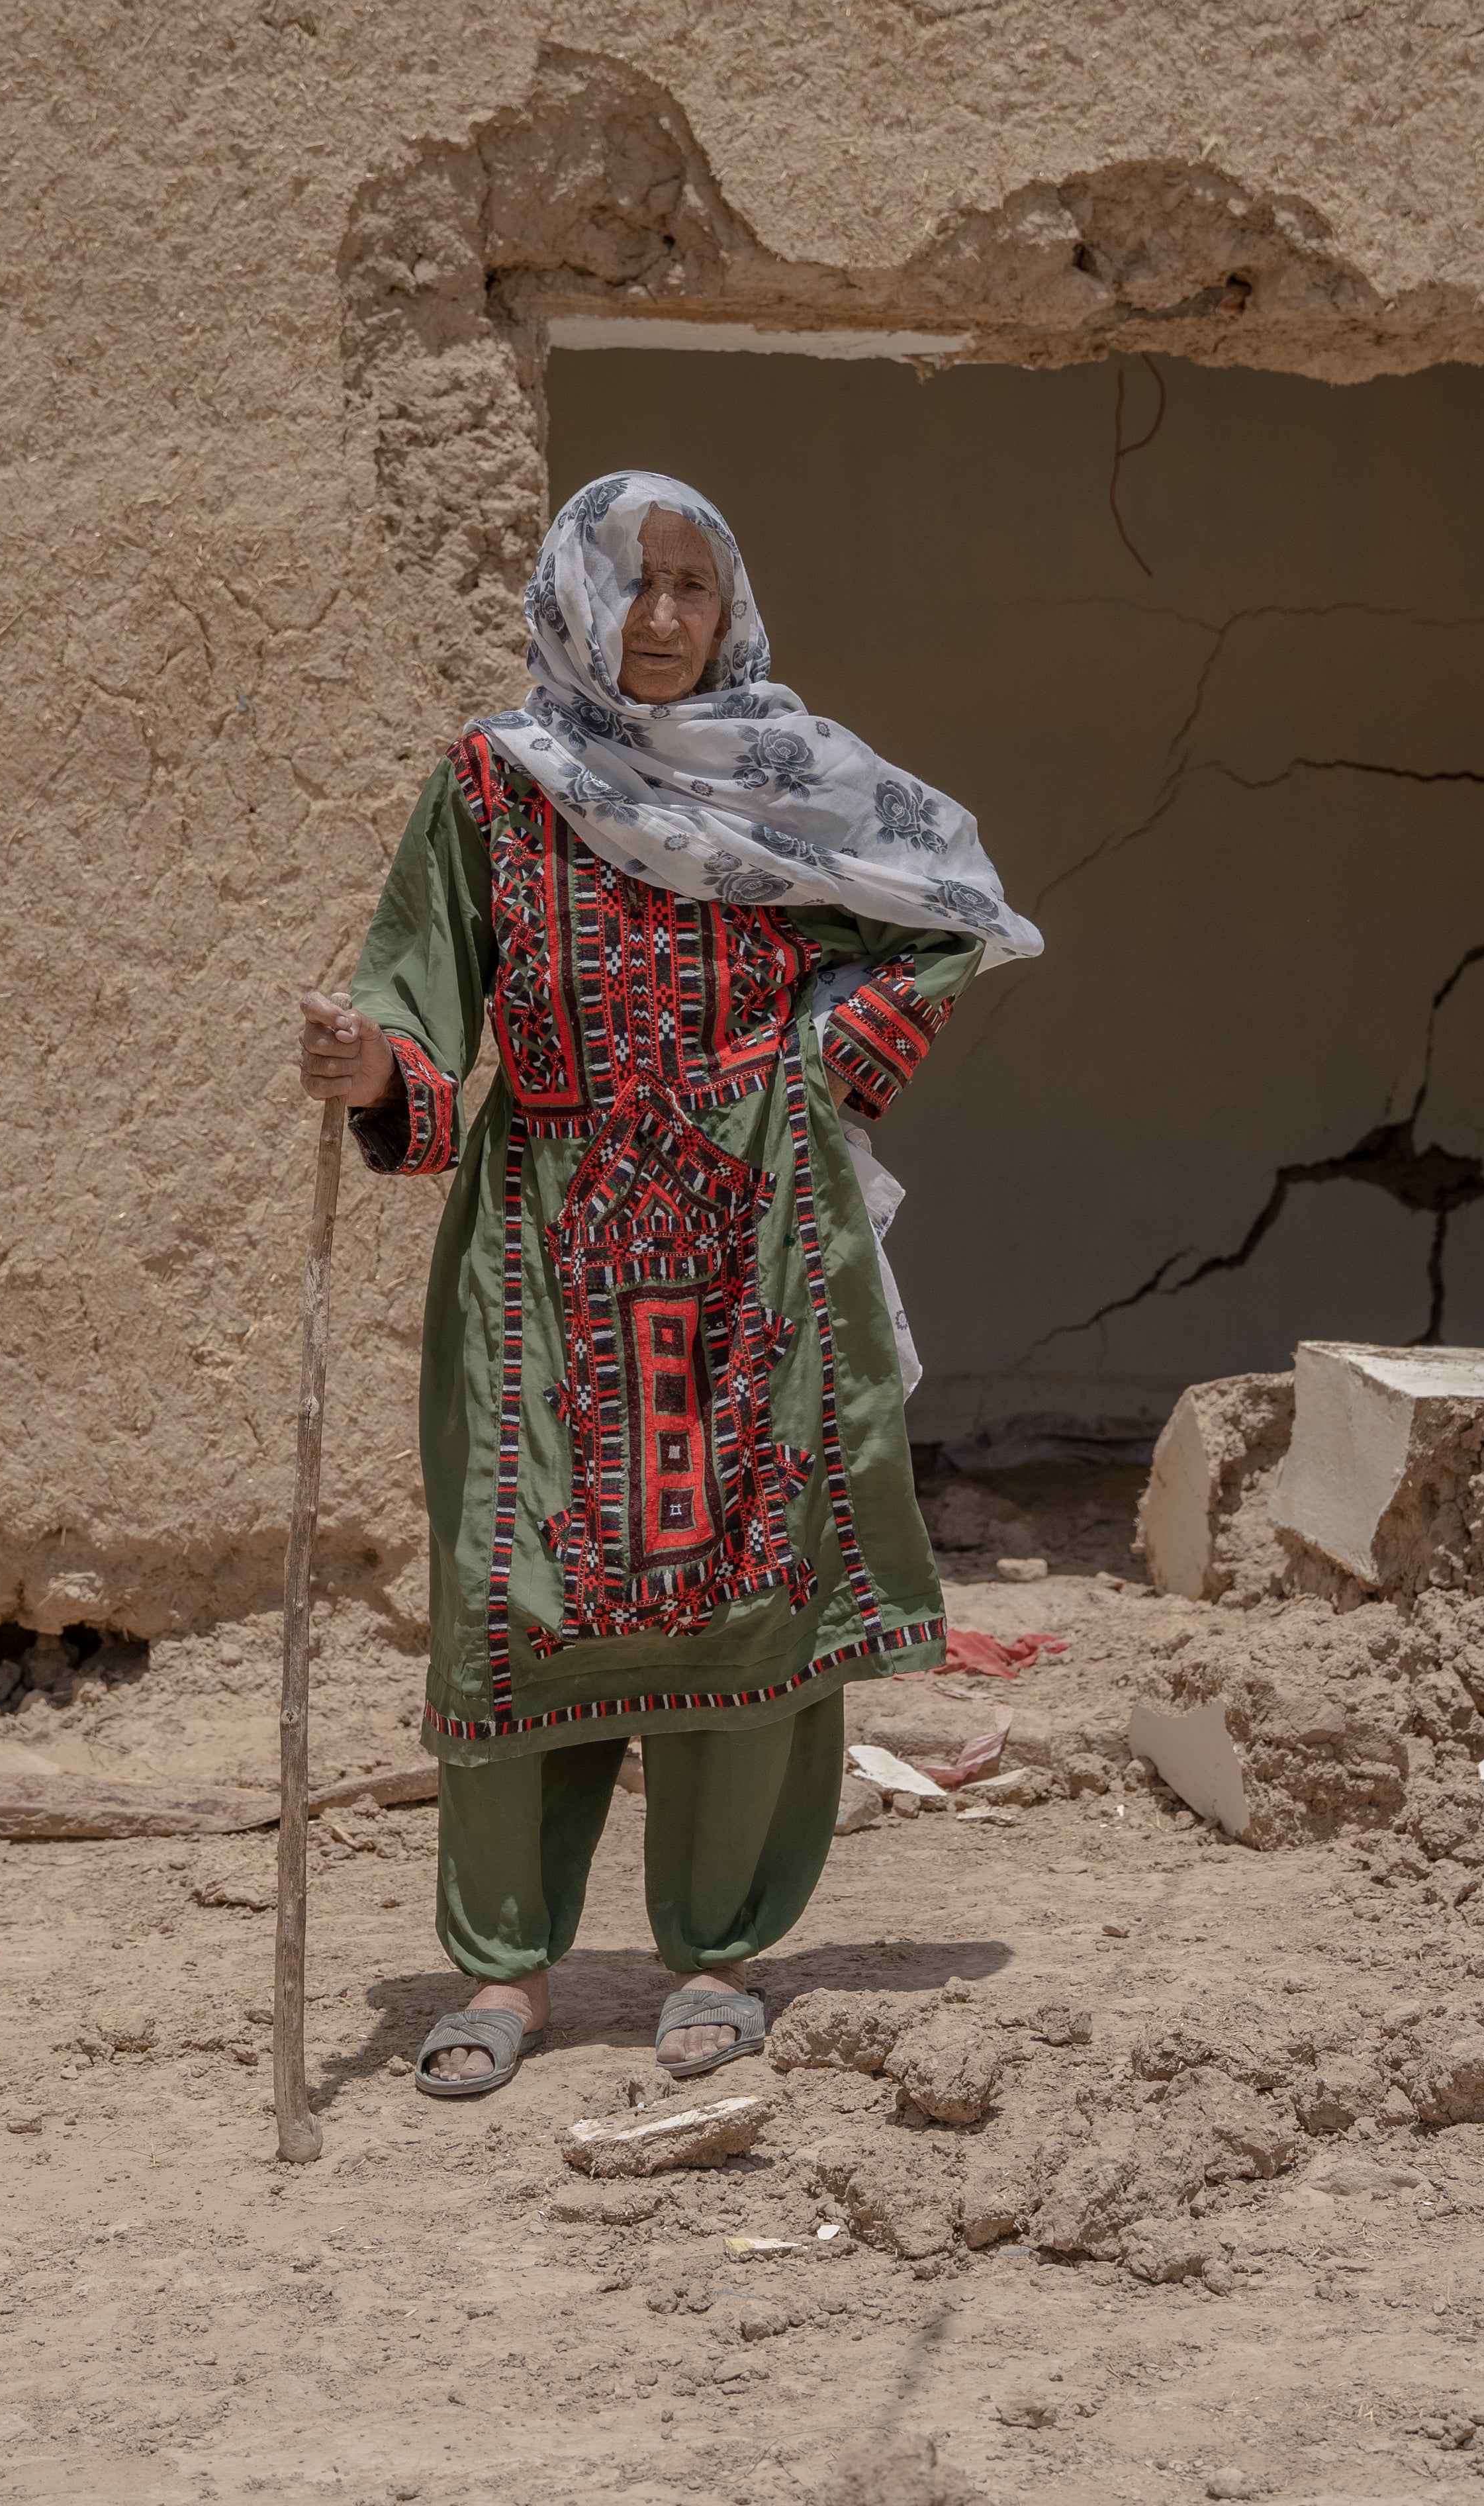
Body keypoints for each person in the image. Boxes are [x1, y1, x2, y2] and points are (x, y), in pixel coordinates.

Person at [293, 471, 1039, 2094]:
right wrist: (369, 1064)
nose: (661, 617)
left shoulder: (792, 777)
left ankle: (720, 1951)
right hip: (540, 1249)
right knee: (516, 1584)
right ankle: (505, 1972)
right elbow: (419, 1003)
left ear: (732, 603)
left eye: (692, 583)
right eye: (630, 582)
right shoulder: (496, 783)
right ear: (572, 595)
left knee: (743, 1581)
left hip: (752, 1240)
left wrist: (823, 1057)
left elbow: (952, 912)